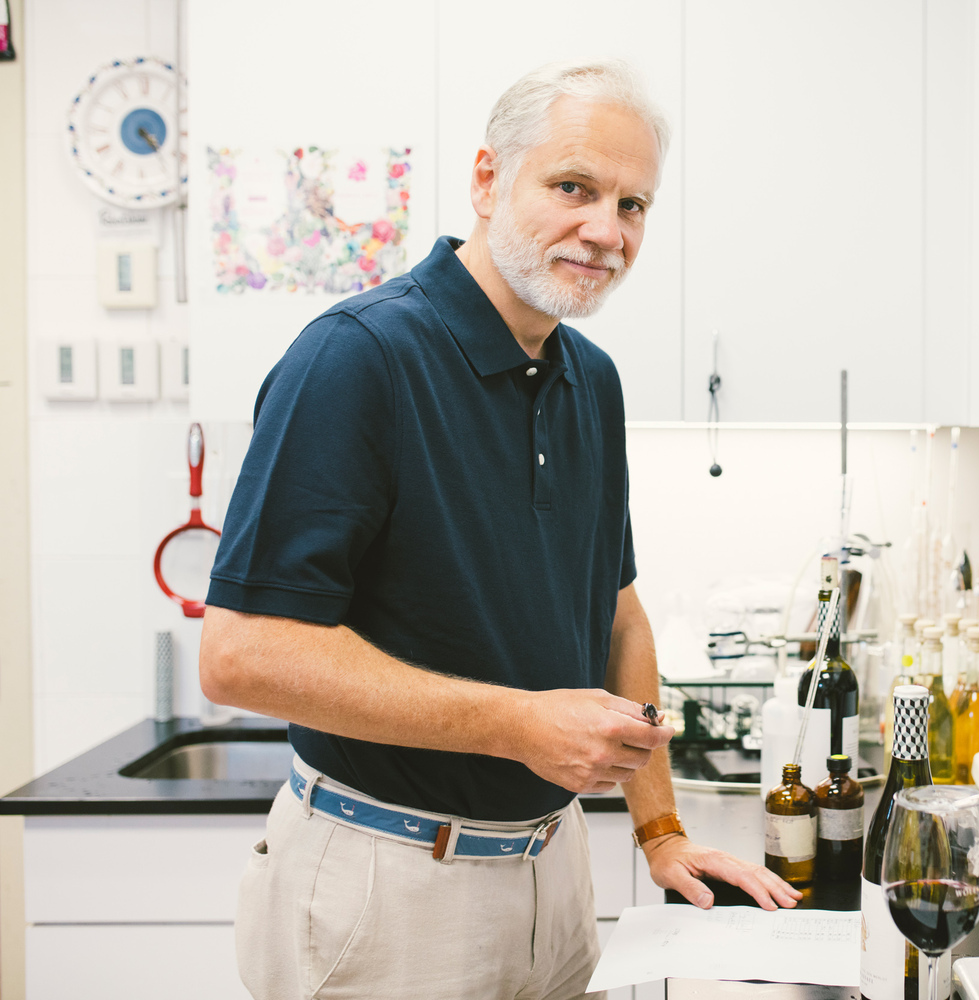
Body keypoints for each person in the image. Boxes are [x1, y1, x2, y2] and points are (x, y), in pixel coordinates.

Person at [199, 59, 801, 1000]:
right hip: (386, 881)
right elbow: (241, 656)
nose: (606, 231)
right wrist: (516, 722)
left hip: (554, 874)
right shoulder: (358, 360)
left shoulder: (589, 378)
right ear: (487, 180)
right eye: (573, 187)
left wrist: (661, 829)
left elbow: (618, 615)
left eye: (633, 204)